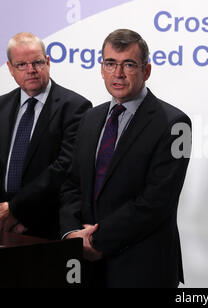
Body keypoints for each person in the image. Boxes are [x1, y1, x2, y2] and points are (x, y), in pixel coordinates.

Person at [59, 29, 191, 288]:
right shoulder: (89, 118)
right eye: (110, 63)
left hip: (143, 268)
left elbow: (157, 201)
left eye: (128, 64)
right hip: (86, 266)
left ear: (147, 70)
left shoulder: (176, 124)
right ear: (101, 68)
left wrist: (97, 239)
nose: (117, 74)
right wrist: (72, 234)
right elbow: (72, 184)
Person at [0, 32, 91, 240]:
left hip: (45, 227)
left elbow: (64, 168)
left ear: (48, 62)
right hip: (2, 223)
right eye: (21, 65)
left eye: (37, 62)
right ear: (10, 69)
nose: (31, 70)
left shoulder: (76, 107)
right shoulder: (1, 106)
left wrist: (16, 209)